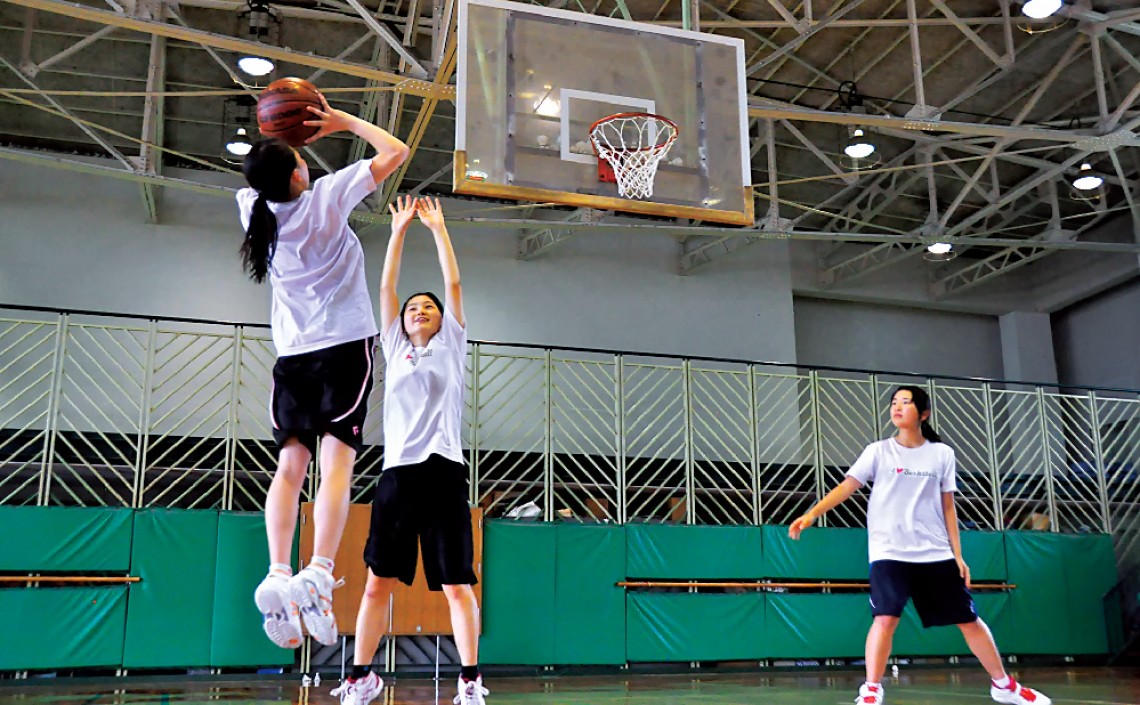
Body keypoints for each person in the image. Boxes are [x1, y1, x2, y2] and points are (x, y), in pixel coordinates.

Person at [240, 93, 409, 649]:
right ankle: (317, 568)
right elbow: (396, 149)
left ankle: (276, 572)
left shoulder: (252, 209)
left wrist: (277, 141)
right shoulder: (328, 198)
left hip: (292, 355)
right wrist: (338, 121)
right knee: (337, 462)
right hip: (343, 348)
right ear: (297, 170)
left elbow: (261, 179)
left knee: (291, 466)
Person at [789, 386, 1050, 705]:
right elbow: (848, 485)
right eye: (894, 402)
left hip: (935, 553)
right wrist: (812, 513)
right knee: (885, 618)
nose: (897, 407)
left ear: (923, 413)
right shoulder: (878, 451)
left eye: (906, 402)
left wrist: (958, 555)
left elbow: (948, 506)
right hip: (889, 551)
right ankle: (871, 689)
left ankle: (1004, 686)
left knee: (969, 620)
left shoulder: (942, 454)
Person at [331, 196, 486, 705]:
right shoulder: (395, 347)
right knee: (377, 584)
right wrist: (397, 231)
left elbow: (455, 285)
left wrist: (438, 230)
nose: (419, 310)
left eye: (429, 308)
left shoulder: (452, 346)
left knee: (458, 587)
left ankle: (469, 681)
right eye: (413, 308)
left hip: (443, 475)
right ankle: (360, 677)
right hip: (398, 476)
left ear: (443, 321)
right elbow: (385, 287)